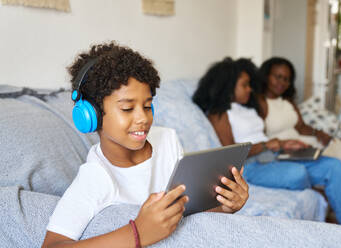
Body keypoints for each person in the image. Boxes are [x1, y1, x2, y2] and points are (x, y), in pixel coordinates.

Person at [41, 42, 249, 248]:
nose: (143, 118)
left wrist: (226, 207)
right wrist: (138, 232)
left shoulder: (167, 139)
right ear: (91, 115)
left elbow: (186, 215)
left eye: (147, 106)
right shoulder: (94, 177)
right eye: (128, 108)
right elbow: (51, 245)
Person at [192, 57, 341, 226]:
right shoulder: (219, 114)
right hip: (252, 165)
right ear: (228, 87)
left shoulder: (248, 107)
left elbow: (261, 136)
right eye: (244, 85)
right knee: (297, 173)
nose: (250, 89)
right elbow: (231, 152)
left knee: (334, 166)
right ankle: (322, 192)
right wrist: (266, 145)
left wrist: (283, 144)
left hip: (274, 155)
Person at [258, 57, 341, 167]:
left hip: (299, 142)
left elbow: (301, 127)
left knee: (335, 145)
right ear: (266, 76)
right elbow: (259, 136)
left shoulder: (287, 101)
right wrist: (283, 145)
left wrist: (319, 134)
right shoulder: (260, 103)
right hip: (283, 148)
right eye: (278, 77)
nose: (282, 82)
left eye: (286, 79)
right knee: (332, 163)